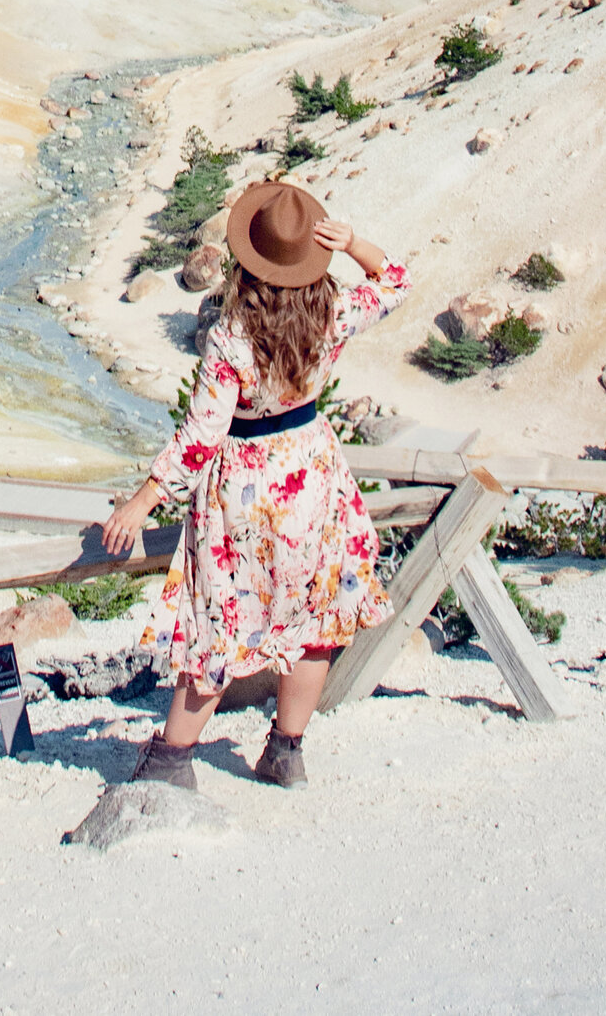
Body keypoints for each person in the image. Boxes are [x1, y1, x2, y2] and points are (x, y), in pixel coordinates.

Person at [97, 179, 409, 790]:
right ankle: (286, 752)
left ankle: (173, 762)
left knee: (218, 624)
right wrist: (352, 244)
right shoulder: (332, 314)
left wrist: (141, 502)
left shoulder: (231, 339)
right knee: (315, 619)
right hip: (313, 477)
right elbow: (395, 279)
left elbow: (199, 436)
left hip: (243, 487)